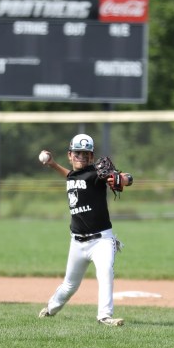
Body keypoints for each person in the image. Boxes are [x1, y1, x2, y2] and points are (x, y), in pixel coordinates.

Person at [37, 133, 134, 326]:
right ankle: (50, 309)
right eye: (77, 153)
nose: (81, 157)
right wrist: (53, 164)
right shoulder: (73, 175)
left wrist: (124, 179)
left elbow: (126, 178)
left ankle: (104, 316)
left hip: (102, 240)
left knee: (105, 272)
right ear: (70, 155)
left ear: (91, 157)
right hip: (77, 242)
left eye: (86, 154)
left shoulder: (97, 174)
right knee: (69, 285)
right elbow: (70, 176)